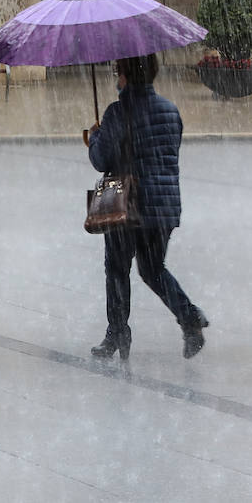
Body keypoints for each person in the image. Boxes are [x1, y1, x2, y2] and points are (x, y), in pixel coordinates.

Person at [85, 53, 208, 361]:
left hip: (126, 202)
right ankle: (189, 317)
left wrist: (96, 136)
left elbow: (101, 160)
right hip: (164, 204)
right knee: (153, 269)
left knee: (117, 269)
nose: (116, 77)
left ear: (125, 75)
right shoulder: (170, 111)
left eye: (117, 71)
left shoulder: (117, 112)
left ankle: (117, 334)